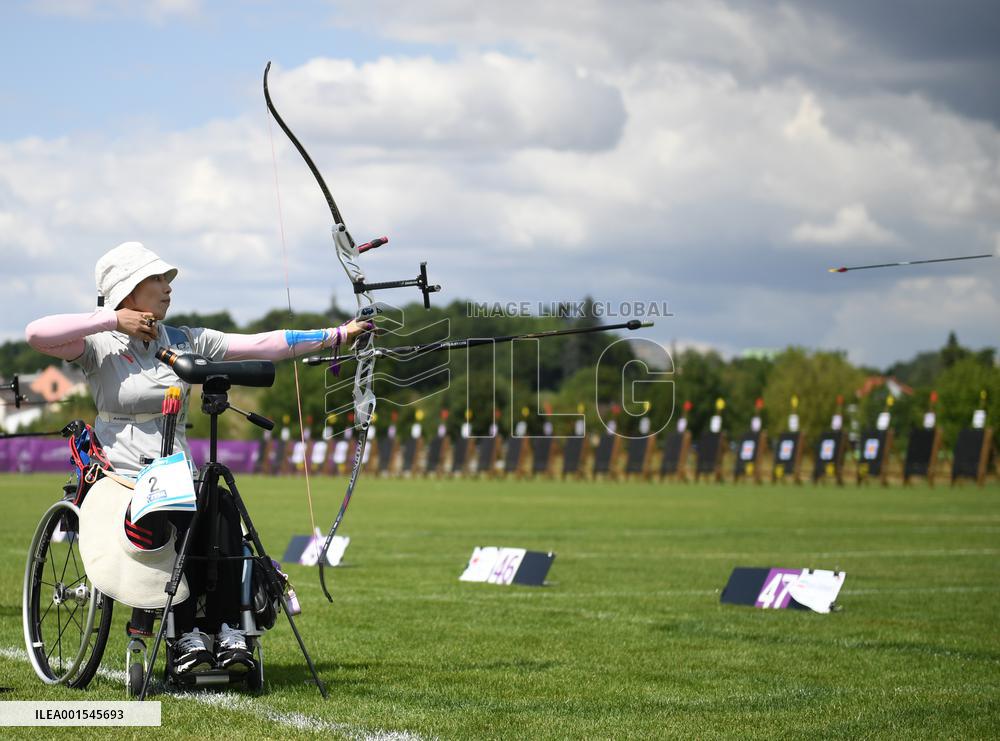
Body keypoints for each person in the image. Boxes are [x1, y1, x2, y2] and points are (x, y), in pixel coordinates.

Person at [26, 241, 370, 675]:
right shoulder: (98, 345)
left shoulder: (184, 339)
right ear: (129, 290)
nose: (168, 287)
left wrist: (337, 335)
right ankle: (186, 632)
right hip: (119, 479)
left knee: (220, 505)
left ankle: (225, 629)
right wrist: (112, 319)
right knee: (179, 507)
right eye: (157, 279)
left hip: (176, 476)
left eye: (166, 279)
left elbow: (262, 344)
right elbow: (36, 334)